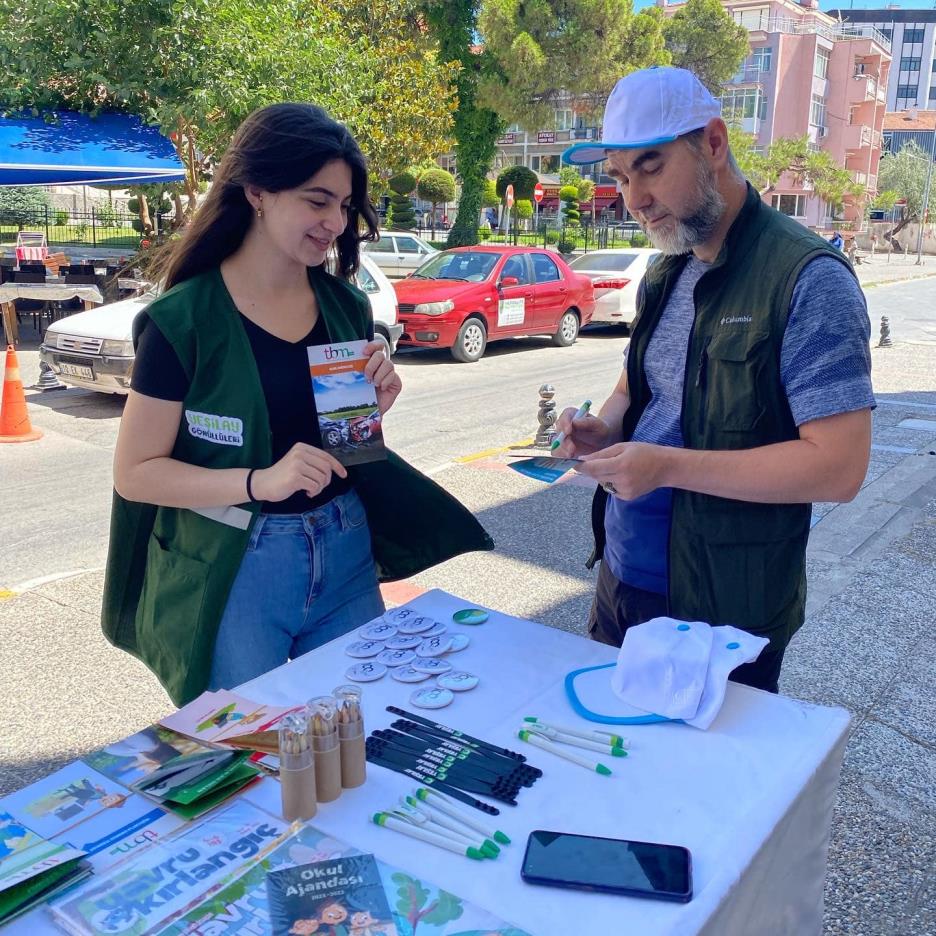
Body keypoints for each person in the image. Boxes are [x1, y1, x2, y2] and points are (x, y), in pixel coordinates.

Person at [104, 103, 492, 706]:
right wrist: (260, 480)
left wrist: (371, 412)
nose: (336, 221)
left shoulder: (346, 307)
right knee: (252, 752)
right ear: (257, 192)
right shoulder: (185, 322)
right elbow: (135, 475)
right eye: (318, 201)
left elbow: (343, 448)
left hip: (345, 550)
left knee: (358, 732)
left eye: (343, 205)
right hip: (238, 567)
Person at [558, 67, 873, 693]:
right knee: (614, 776)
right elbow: (636, 388)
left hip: (724, 611)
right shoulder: (665, 270)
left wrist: (667, 466)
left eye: (650, 167)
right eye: (619, 177)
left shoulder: (809, 278)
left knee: (699, 789)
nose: (634, 199)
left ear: (713, 143)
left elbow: (839, 469)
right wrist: (606, 426)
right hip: (624, 580)